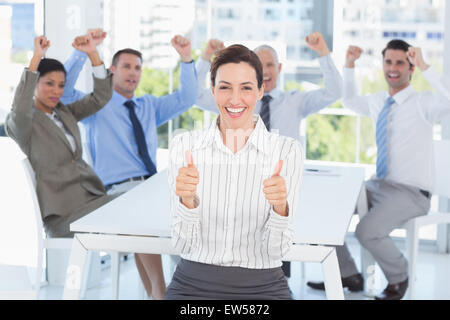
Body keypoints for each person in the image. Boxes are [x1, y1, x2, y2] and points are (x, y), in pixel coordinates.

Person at [307, 39, 450, 300]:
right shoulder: (378, 101)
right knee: (325, 213)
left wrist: (426, 65)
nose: (393, 68)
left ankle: (400, 276)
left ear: (411, 68)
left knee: (367, 231)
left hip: (410, 193)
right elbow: (349, 101)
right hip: (378, 184)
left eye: (400, 62)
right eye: (388, 62)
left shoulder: (423, 103)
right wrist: (349, 64)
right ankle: (348, 273)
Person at [61, 30, 198, 300]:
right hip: (114, 193)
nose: (133, 72)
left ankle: (176, 291)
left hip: (150, 187)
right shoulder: (95, 105)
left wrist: (185, 58)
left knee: (191, 210)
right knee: (143, 214)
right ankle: (162, 292)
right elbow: (64, 93)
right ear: (112, 70)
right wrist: (81, 53)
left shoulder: (148, 106)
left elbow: (187, 98)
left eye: (137, 68)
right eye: (126, 66)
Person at [195, 32, 343, 277]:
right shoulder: (237, 101)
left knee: (275, 259)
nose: (266, 70)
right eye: (259, 65)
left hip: (280, 190)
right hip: (241, 186)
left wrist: (323, 53)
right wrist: (205, 58)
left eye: (270, 64)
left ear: (280, 68)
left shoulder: (295, 101)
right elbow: (197, 96)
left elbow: (334, 92)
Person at [165, 44, 304, 300]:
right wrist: (187, 202)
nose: (235, 99)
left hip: (263, 286)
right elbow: (183, 245)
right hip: (193, 285)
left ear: (261, 90)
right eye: (225, 87)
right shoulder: (184, 147)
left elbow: (278, 251)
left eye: (246, 88)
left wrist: (280, 209)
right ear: (213, 90)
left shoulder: (287, 152)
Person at [5, 34, 116, 238]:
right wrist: (36, 58)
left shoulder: (65, 113)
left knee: (136, 209)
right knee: (133, 208)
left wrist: (92, 53)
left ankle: (158, 273)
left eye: (61, 85)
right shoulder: (23, 124)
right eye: (49, 83)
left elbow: (101, 97)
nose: (56, 91)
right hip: (65, 216)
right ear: (35, 83)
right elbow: (19, 107)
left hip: (91, 200)